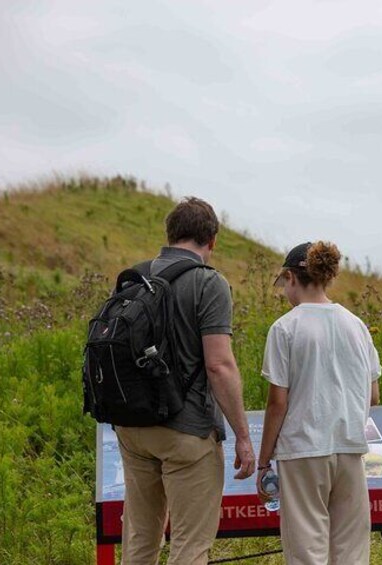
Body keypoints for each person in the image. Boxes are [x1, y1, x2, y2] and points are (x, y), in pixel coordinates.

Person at [115, 197, 256, 565]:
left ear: (170, 234)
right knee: (190, 547)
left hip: (132, 428)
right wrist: (242, 436)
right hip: (187, 431)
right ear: (212, 240)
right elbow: (219, 366)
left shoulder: (134, 277)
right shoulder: (209, 283)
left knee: (139, 541)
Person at [256, 241, 382, 565]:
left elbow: (277, 403)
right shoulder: (356, 325)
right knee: (352, 551)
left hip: (302, 450)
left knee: (307, 550)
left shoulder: (285, 328)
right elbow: (374, 395)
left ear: (291, 277)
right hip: (351, 448)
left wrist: (263, 462)